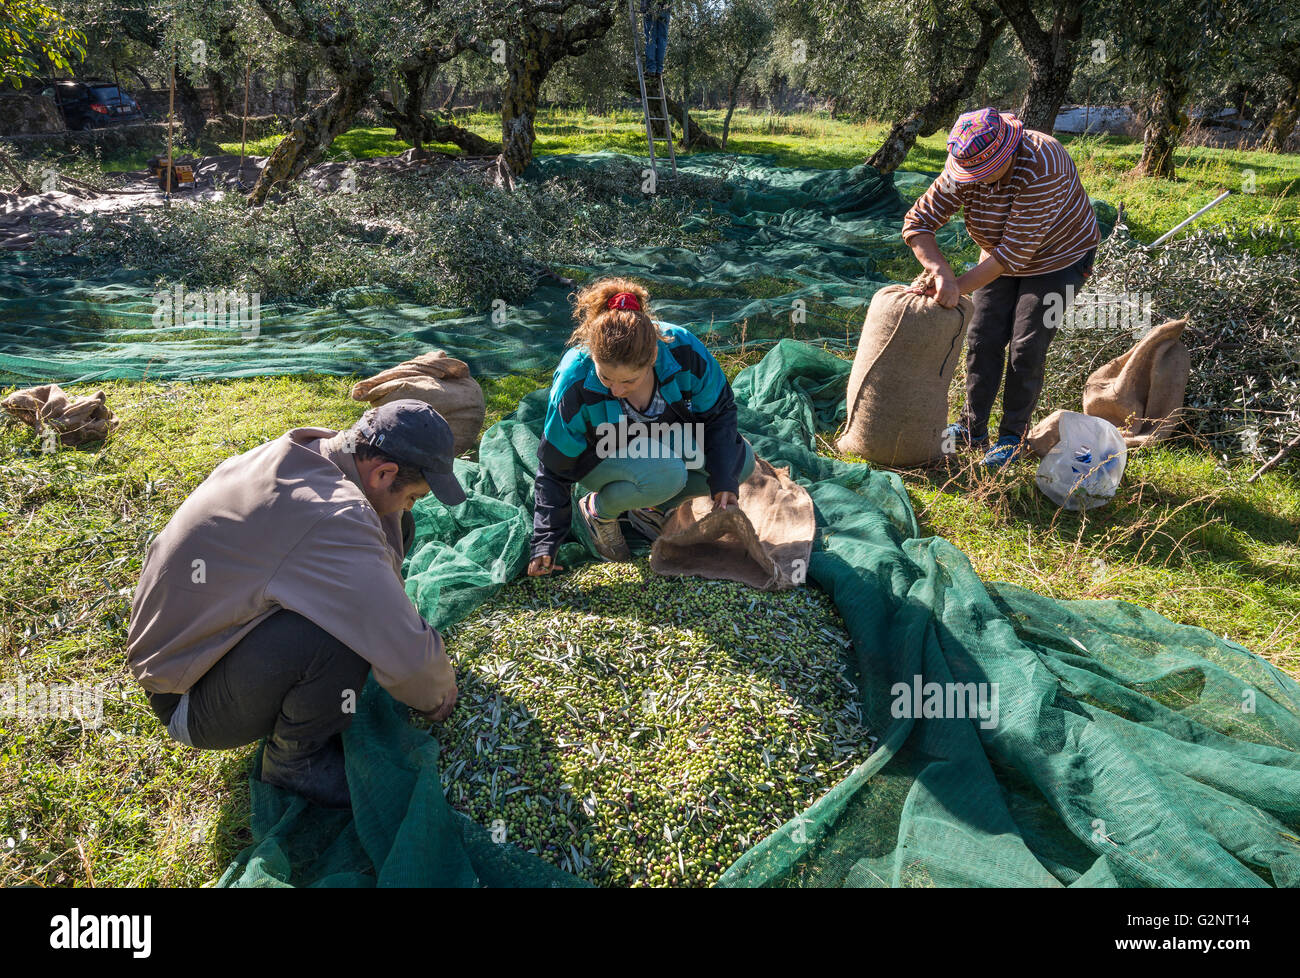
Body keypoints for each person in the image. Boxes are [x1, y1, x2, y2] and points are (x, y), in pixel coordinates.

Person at [126, 400, 464, 809]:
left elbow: (374, 549)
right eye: (413, 494)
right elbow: (409, 660)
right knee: (340, 632)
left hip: (202, 645)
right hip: (188, 698)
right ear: (383, 472)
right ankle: (293, 762)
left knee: (392, 525)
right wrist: (437, 695)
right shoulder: (332, 517)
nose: (412, 503)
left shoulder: (313, 453)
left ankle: (305, 706)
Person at [902, 106, 1100, 468]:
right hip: (1000, 251)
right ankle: (972, 428)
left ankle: (1012, 437)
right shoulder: (964, 167)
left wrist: (957, 287)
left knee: (1027, 343)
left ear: (1008, 153)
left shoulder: (1044, 165)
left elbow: (1011, 256)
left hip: (1060, 257)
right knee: (981, 337)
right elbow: (918, 222)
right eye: (969, 177)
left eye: (983, 176)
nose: (974, 183)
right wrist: (941, 272)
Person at [528, 277, 753, 575]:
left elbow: (720, 415)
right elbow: (554, 468)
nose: (617, 390)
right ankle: (597, 511)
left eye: (629, 381)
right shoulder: (574, 379)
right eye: (606, 378)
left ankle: (650, 510)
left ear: (654, 358)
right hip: (599, 458)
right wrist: (545, 541)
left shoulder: (684, 351)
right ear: (593, 356)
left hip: (658, 442)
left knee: (742, 461)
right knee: (668, 473)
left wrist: (724, 481)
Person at [641, 0, 672, 85]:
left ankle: (651, 68)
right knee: (662, 40)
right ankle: (659, 70)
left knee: (651, 38)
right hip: (666, 7)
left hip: (651, 6)